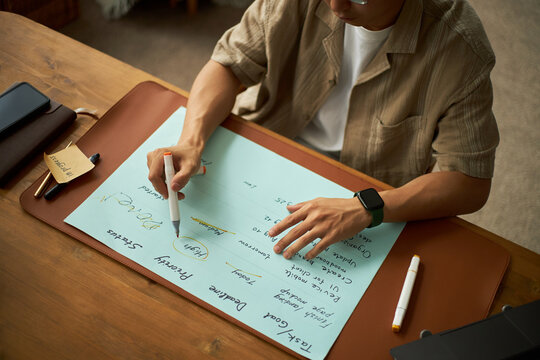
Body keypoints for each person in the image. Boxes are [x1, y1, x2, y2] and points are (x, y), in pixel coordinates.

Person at [147, 0, 499, 261]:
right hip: (269, 148)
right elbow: (229, 64)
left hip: (366, 192)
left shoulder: (459, 48)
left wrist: (368, 207)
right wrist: (191, 140)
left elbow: (469, 181)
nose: (335, 5)